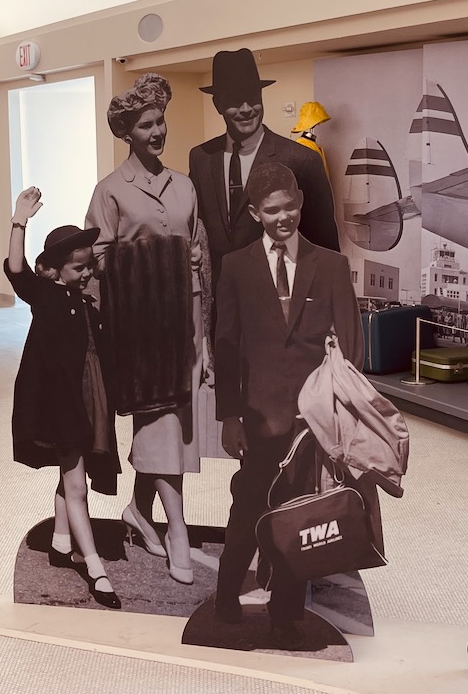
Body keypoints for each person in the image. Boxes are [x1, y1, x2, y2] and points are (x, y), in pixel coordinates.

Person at [212, 162, 362, 631]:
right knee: (248, 509)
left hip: (311, 421)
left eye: (291, 207)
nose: (284, 217)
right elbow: (227, 346)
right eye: (272, 210)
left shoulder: (331, 266)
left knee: (301, 516)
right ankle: (224, 598)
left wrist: (341, 415)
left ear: (301, 203)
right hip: (257, 418)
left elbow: (352, 347)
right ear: (256, 213)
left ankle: (287, 612)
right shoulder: (236, 267)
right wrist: (229, 416)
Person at [86, 74, 207, 585]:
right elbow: (94, 259)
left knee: (176, 425)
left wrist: (206, 330)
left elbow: (202, 257)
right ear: (127, 132)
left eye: (161, 121)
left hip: (186, 323)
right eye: (146, 124)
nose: (157, 131)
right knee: (162, 425)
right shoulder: (110, 191)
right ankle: (176, 530)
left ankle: (139, 509)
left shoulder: (185, 186)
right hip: (139, 332)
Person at [6, 188, 120, 610]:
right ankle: (95, 567)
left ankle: (60, 541)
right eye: (78, 267)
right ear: (54, 271)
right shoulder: (48, 296)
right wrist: (20, 221)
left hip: (88, 400)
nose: (87, 272)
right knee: (76, 484)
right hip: (62, 403)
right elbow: (17, 271)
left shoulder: (87, 305)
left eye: (90, 265)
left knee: (72, 471)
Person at [189, 48, 339, 277]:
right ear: (217, 104)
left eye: (253, 98)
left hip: (282, 303)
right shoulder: (202, 158)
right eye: (235, 101)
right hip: (222, 304)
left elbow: (326, 247)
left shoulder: (301, 160)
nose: (247, 109)